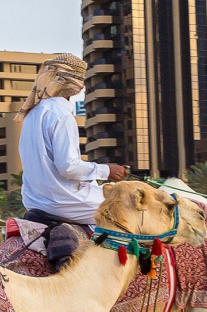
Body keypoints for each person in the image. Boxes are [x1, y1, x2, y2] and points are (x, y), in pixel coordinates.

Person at [17, 53, 128, 271]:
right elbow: (67, 166)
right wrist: (108, 171)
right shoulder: (62, 115)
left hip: (34, 200)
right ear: (75, 85)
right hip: (62, 201)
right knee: (124, 211)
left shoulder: (32, 114)